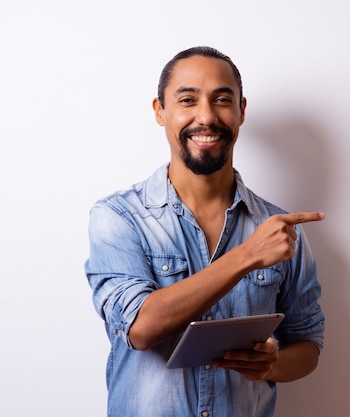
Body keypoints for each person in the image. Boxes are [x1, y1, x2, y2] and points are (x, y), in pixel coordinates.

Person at [84, 46, 325, 417]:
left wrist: (271, 365)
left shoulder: (279, 229)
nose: (207, 116)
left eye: (222, 99)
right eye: (187, 99)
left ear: (242, 111)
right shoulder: (118, 217)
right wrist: (247, 256)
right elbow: (141, 327)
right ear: (160, 111)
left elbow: (307, 343)